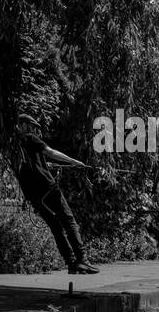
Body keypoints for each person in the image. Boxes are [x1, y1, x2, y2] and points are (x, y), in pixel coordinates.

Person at [12, 116, 98, 274]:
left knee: (56, 228)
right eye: (31, 126)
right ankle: (82, 260)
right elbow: (50, 152)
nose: (34, 130)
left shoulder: (12, 145)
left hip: (33, 195)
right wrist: (73, 161)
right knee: (69, 221)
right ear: (23, 125)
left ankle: (71, 263)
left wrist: (47, 164)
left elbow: (30, 164)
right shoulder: (30, 138)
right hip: (48, 188)